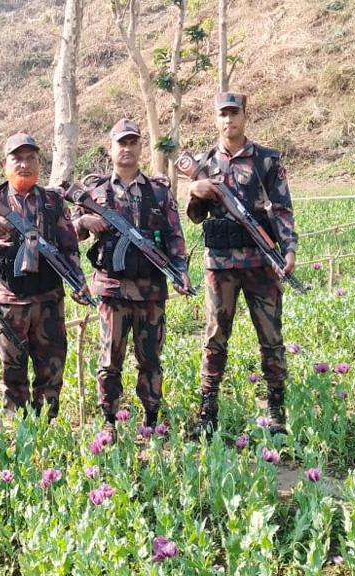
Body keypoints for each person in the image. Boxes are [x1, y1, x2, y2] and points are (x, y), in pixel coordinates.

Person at [186, 93, 298, 436]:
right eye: (222, 114)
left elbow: (281, 208)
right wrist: (196, 189)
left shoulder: (266, 160)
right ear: (216, 119)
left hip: (261, 264)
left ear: (245, 117)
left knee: (271, 337)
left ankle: (276, 409)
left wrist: (289, 248)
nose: (228, 120)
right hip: (220, 266)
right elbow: (194, 216)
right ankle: (208, 409)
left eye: (234, 114)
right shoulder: (204, 162)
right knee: (215, 337)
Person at [73, 118, 191, 433]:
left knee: (150, 359)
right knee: (110, 360)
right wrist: (85, 221)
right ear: (111, 149)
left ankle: (151, 419)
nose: (126, 148)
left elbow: (175, 237)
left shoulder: (158, 191)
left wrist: (181, 272)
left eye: (132, 142)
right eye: (120, 143)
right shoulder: (94, 192)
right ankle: (109, 421)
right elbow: (70, 234)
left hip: (151, 290)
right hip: (112, 290)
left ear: (140, 147)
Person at [0, 133, 91, 420]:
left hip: (49, 301)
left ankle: (47, 428)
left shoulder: (52, 201)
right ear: (5, 163)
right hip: (9, 303)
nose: (24, 165)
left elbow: (69, 246)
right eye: (17, 158)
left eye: (30, 158)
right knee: (12, 371)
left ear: (38, 162)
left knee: (51, 370)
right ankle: (19, 431)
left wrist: (78, 281)